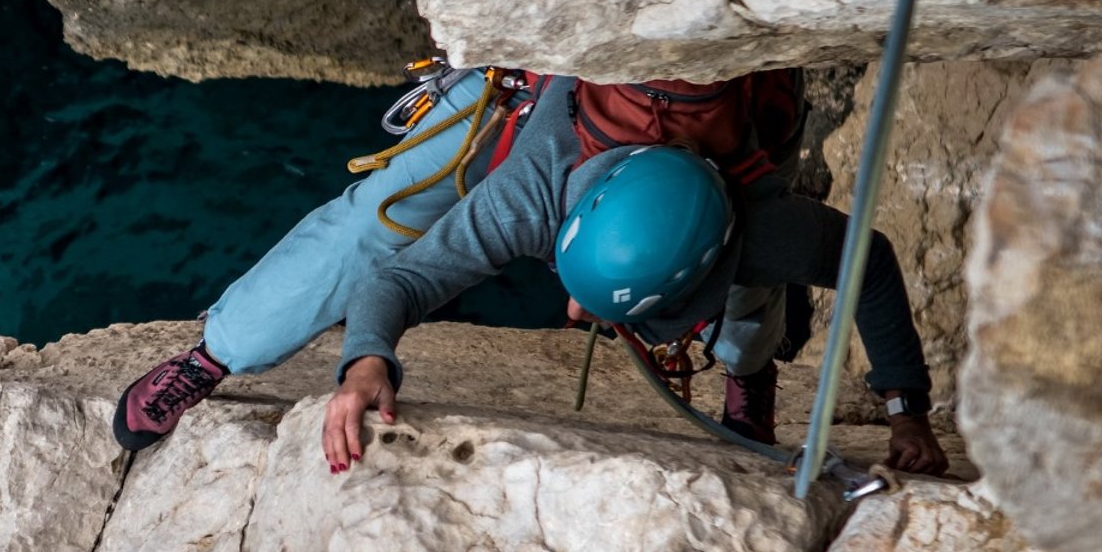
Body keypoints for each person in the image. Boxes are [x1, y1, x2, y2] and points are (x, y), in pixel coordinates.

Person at [113, 64, 948, 477]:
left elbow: (864, 261)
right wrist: (367, 357)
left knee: (749, 290)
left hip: (716, 168)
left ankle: (748, 376)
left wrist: (909, 409)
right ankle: (214, 353)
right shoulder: (524, 197)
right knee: (377, 223)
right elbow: (400, 277)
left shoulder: (760, 220)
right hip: (531, 108)